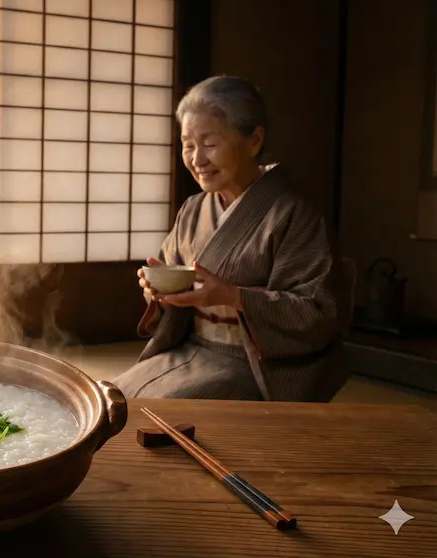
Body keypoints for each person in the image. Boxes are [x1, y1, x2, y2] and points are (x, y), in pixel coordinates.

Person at [111, 76, 351, 403]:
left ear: (253, 142)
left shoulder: (294, 214)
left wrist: (233, 297)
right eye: (188, 144)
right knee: (110, 400)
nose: (197, 159)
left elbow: (320, 311)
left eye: (209, 144)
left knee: (154, 410)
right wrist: (157, 292)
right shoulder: (193, 210)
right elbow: (174, 285)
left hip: (256, 364)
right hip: (190, 350)